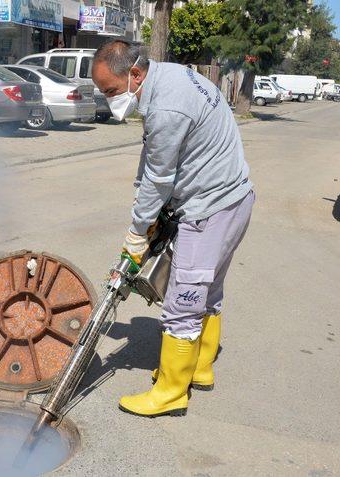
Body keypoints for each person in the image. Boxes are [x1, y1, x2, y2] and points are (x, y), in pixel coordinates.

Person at [91, 40, 254, 418]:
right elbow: (154, 160)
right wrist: (148, 214)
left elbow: (159, 177)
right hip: (234, 199)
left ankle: (170, 392)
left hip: (208, 209)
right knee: (208, 291)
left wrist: (137, 231)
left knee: (183, 300)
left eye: (111, 91)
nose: (109, 99)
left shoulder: (166, 105)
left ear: (134, 74)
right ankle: (199, 368)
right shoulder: (171, 76)